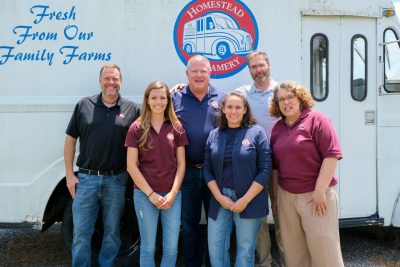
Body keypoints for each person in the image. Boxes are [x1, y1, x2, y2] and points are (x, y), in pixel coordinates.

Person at [64, 64, 140, 267]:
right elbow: (70, 140)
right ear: (100, 80)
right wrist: (70, 174)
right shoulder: (84, 105)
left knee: (112, 232)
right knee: (81, 232)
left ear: (121, 81)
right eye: (107, 78)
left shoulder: (132, 110)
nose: (111, 82)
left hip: (117, 180)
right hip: (86, 179)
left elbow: (143, 140)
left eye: (115, 79)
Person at [269, 81, 344, 267]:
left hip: (315, 196)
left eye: (290, 97)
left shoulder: (318, 119)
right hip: (286, 197)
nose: (286, 102)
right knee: (294, 254)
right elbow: (276, 167)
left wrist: (320, 192)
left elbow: (331, 155)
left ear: (300, 98)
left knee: (325, 253)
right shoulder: (277, 128)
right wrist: (276, 197)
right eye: (281, 99)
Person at [203, 91, 272, 267]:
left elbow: (265, 169)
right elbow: (207, 170)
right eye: (230, 107)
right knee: (216, 248)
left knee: (245, 249)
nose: (234, 111)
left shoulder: (256, 133)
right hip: (220, 200)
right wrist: (219, 197)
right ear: (223, 110)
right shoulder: (214, 135)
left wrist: (245, 199)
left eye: (238, 107)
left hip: (249, 199)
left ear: (245, 110)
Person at [125, 81, 188, 267]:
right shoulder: (136, 128)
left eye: (162, 97)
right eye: (154, 98)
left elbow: (181, 164)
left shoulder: (177, 127)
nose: (158, 102)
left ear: (168, 101)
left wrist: (173, 194)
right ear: (147, 100)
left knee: (171, 249)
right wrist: (151, 195)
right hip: (145, 196)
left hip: (172, 196)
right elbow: (131, 166)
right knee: (148, 248)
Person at [171, 55, 225, 267]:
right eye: (195, 71)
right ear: (187, 74)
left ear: (210, 73)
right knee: (188, 223)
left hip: (215, 173)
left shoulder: (222, 98)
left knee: (216, 223)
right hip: (186, 172)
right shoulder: (175, 97)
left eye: (203, 71)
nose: (199, 75)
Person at [236, 50, 284, 267]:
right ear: (249, 70)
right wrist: (177, 88)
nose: (258, 70)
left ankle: (289, 260)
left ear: (269, 65)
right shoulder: (242, 94)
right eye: (254, 67)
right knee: (259, 218)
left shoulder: (282, 91)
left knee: (283, 215)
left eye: (261, 65)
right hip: (254, 165)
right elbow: (220, 103)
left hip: (282, 163)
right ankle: (265, 262)